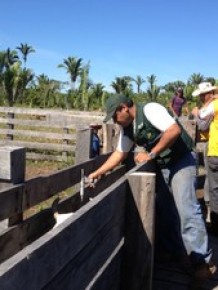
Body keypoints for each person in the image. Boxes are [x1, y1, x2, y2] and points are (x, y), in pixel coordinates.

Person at [88, 94, 216, 281]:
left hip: (181, 161)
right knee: (166, 210)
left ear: (124, 108)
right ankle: (175, 251)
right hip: (164, 165)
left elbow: (173, 131)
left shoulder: (149, 110)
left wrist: (151, 154)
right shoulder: (128, 128)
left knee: (187, 208)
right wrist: (97, 173)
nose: (115, 122)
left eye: (115, 116)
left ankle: (202, 263)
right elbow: (119, 154)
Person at [192, 82, 218, 235]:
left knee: (214, 188)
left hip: (215, 150)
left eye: (203, 94)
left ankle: (215, 226)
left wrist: (196, 113)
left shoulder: (214, 105)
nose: (202, 97)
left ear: (210, 93)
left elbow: (202, 123)